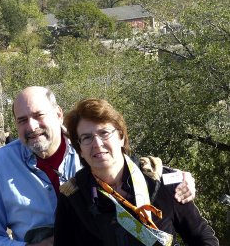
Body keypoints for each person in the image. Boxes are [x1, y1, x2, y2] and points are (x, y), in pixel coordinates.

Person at [0, 87, 195, 246]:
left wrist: (176, 177)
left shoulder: (90, 147)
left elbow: (134, 169)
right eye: (22, 120)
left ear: (58, 114)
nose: (31, 126)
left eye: (39, 115)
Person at [54, 98, 219, 246]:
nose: (97, 144)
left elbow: (201, 237)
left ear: (121, 137)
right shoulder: (73, 198)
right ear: (80, 149)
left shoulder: (161, 180)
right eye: (87, 138)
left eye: (104, 133)